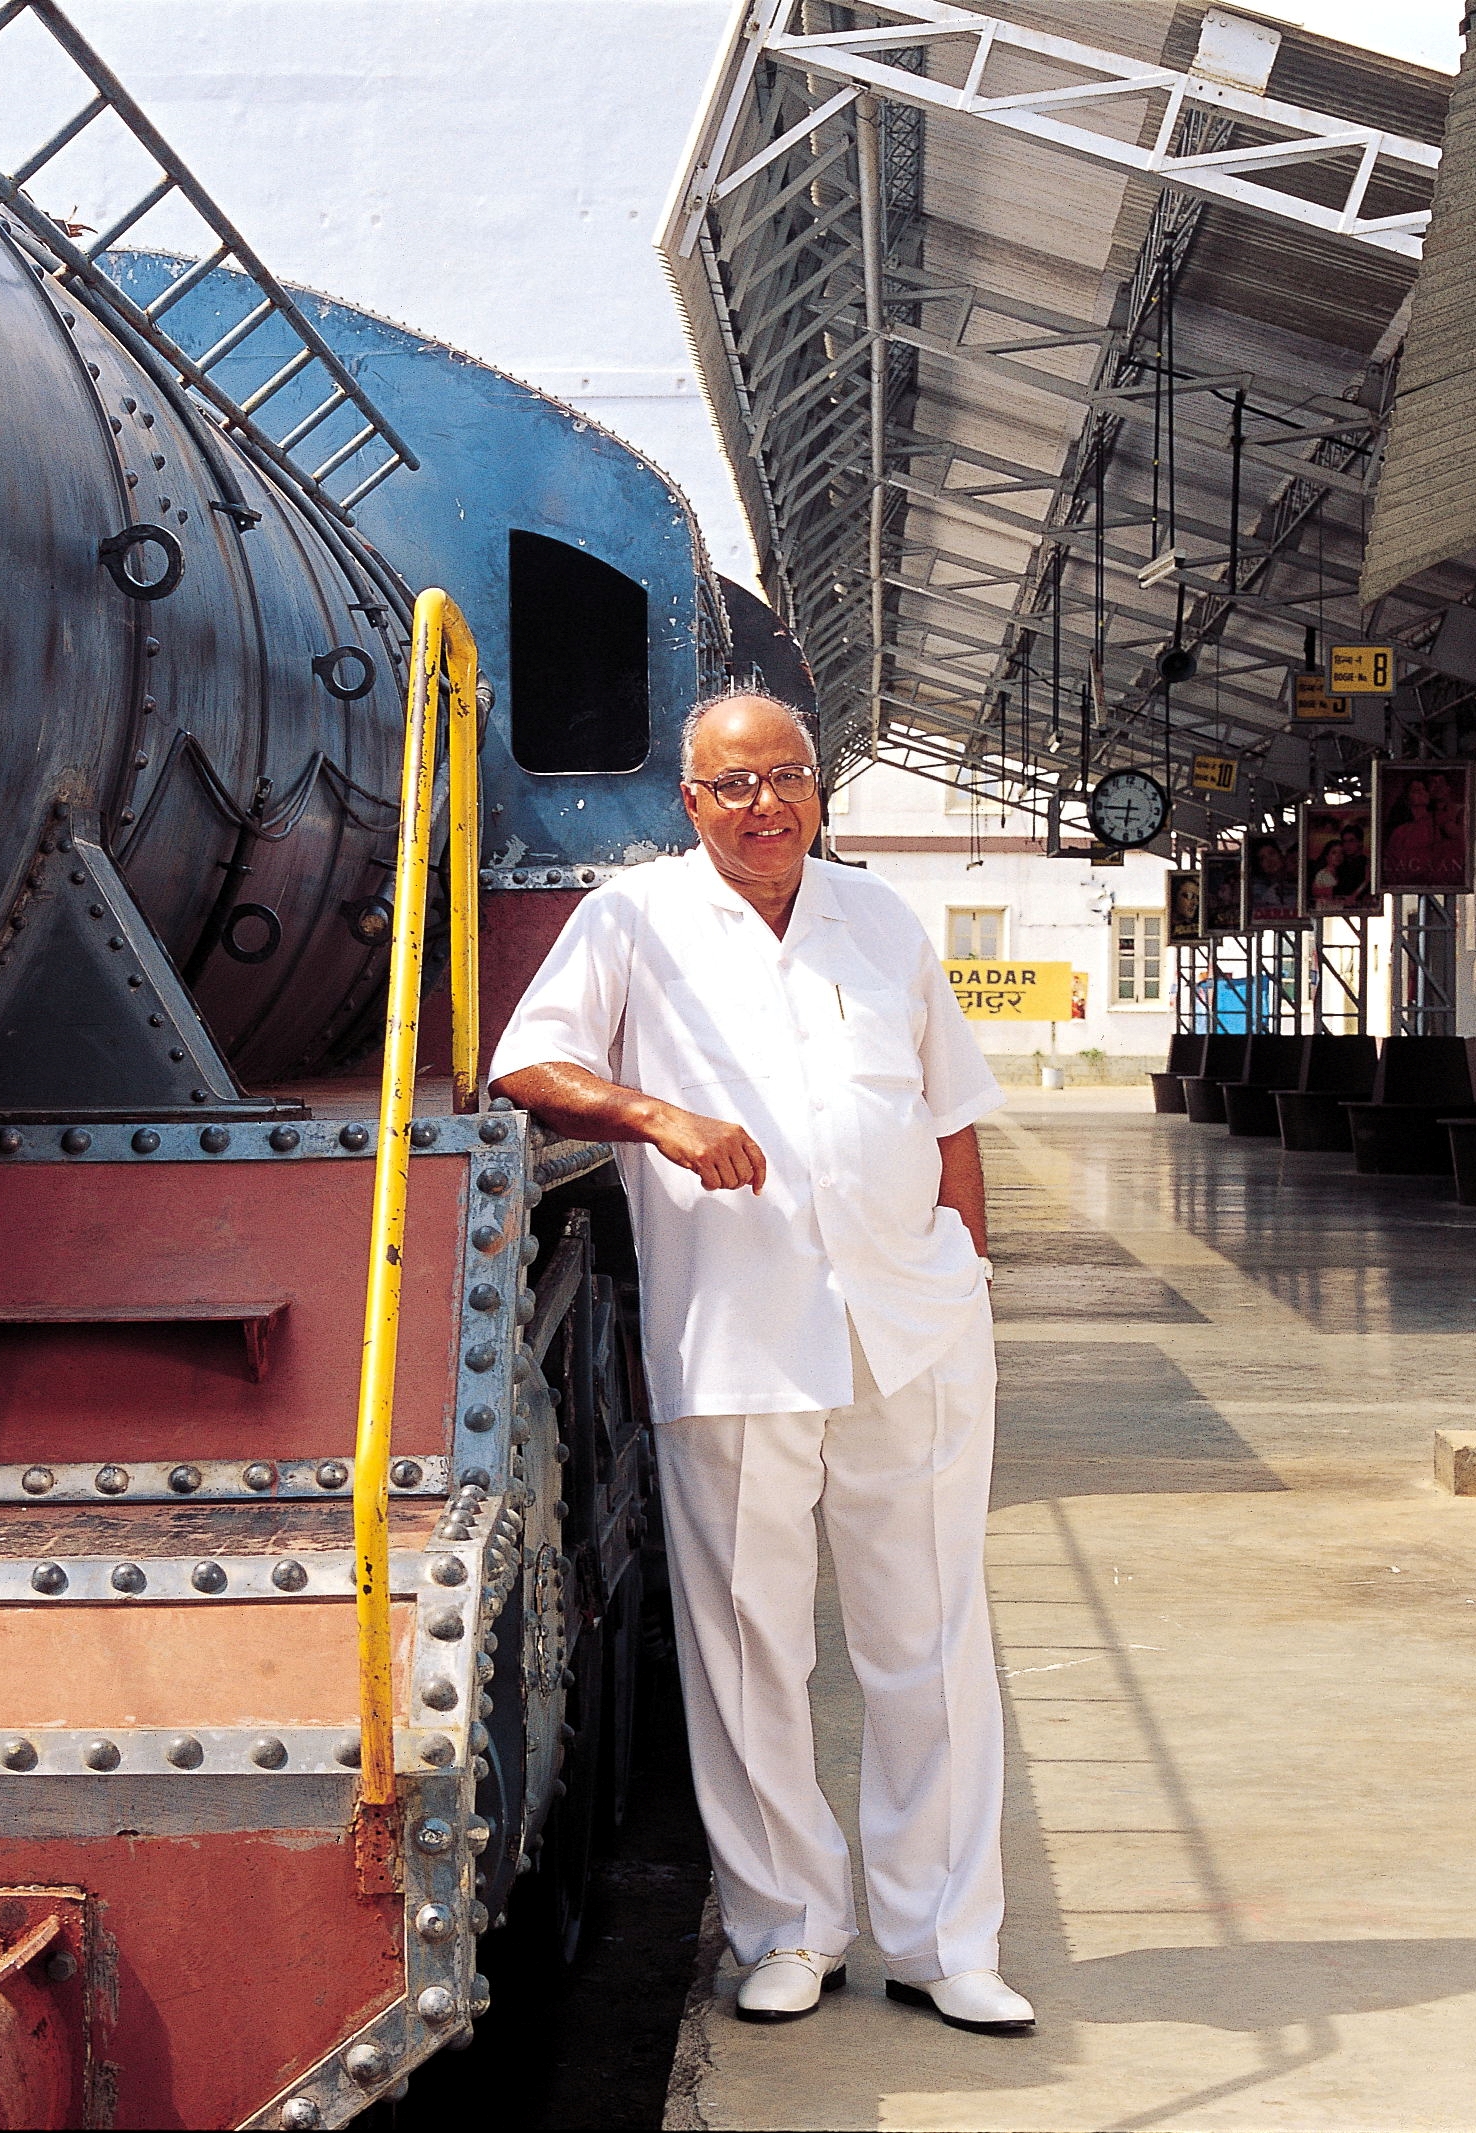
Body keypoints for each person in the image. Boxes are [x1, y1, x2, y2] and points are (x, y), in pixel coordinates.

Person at [487, 692, 1031, 2037]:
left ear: (819, 789)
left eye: (788, 777)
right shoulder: (634, 921)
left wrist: (969, 1278)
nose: (765, 805)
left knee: (931, 1644)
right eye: (735, 785)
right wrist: (655, 1115)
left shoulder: (879, 921)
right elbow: (529, 1068)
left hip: (910, 1331)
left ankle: (944, 1938)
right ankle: (787, 1927)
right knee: (751, 1649)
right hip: (734, 1339)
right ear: (690, 800)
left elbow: (950, 1118)